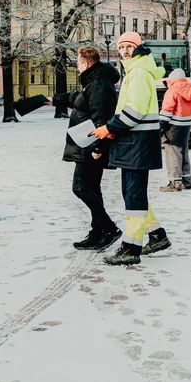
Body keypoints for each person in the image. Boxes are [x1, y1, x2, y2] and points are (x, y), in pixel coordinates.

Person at [92, 31, 170, 265]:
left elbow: (133, 112)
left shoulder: (136, 73)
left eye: (129, 46)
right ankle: (157, 235)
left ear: (138, 48)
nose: (125, 50)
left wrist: (108, 128)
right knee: (132, 194)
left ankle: (130, 248)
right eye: (122, 46)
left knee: (133, 196)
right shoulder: (136, 71)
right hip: (135, 142)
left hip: (136, 142)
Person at [49, 46, 123, 249]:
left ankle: (108, 228)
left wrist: (98, 147)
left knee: (80, 187)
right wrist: (53, 100)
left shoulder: (98, 84)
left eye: (78, 63)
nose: (77, 66)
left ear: (86, 63)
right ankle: (98, 231)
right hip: (87, 142)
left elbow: (101, 117)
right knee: (92, 187)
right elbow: (78, 100)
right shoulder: (94, 82)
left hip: (90, 144)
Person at [159, 68, 191, 192]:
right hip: (185, 126)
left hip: (173, 127)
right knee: (184, 153)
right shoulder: (190, 90)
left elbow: (167, 111)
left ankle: (175, 182)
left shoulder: (172, 91)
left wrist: (160, 126)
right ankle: (187, 180)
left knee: (173, 154)